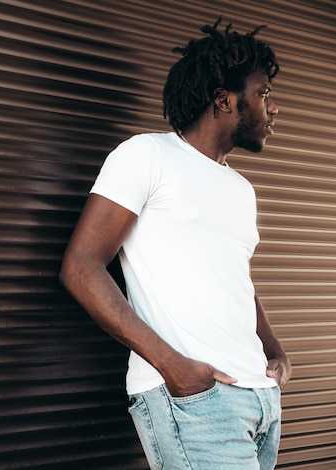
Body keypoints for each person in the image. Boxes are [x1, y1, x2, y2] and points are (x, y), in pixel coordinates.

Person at [59, 18, 292, 470]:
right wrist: (176, 369)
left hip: (261, 402)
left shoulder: (241, 189)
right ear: (224, 99)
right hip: (196, 401)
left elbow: (235, 277)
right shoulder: (146, 155)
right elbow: (81, 268)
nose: (274, 108)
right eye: (263, 94)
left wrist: (273, 348)